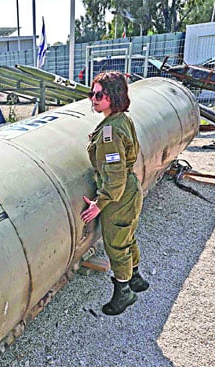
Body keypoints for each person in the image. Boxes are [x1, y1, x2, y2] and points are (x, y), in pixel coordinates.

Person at [80, 71, 150, 316]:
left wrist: (99, 204)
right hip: (130, 190)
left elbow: (115, 175)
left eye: (99, 94)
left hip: (118, 196)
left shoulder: (110, 132)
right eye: (92, 93)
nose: (93, 99)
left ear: (114, 96)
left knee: (116, 245)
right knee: (128, 236)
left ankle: (124, 293)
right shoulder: (121, 119)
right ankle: (136, 278)